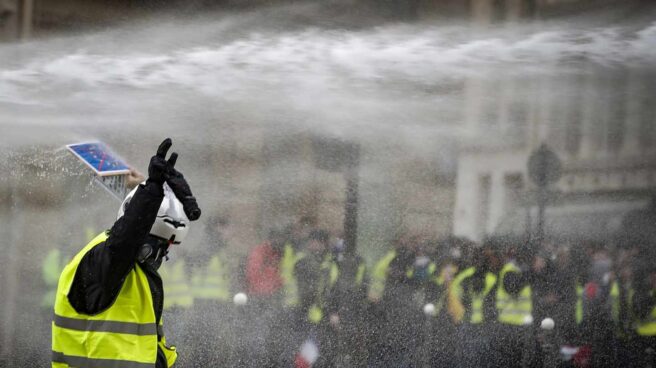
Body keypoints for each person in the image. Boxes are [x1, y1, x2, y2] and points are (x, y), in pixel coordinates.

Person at [51, 138, 201, 368]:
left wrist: (148, 188)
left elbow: (131, 226)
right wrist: (150, 189)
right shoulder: (103, 262)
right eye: (157, 248)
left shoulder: (131, 272)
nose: (159, 257)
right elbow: (126, 239)